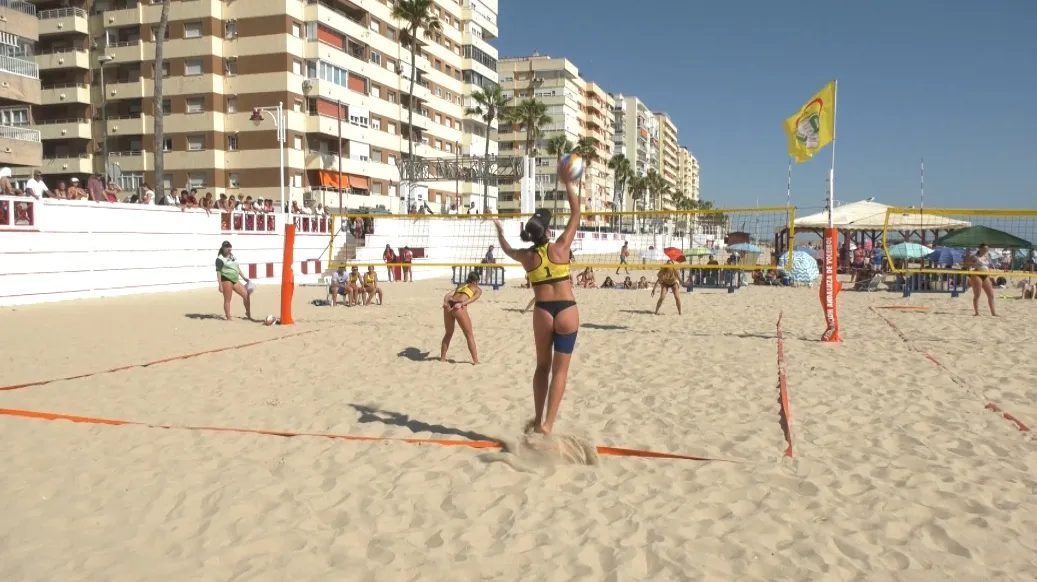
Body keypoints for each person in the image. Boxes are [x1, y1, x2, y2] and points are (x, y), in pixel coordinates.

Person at [492, 173, 580, 436]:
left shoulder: (526, 256)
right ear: (549, 232)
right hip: (567, 310)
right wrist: (567, 183)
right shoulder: (562, 247)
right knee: (560, 371)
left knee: (542, 367)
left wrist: (499, 231)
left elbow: (507, 249)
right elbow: (576, 213)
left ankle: (538, 416)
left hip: (542, 311)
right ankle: (547, 425)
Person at [441, 271, 483, 364]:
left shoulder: (460, 286)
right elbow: (473, 299)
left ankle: (442, 359)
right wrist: (462, 304)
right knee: (469, 335)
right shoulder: (477, 288)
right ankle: (476, 361)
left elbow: (448, 295)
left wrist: (445, 303)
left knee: (448, 333)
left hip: (448, 305)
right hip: (458, 307)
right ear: (475, 281)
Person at [215, 241, 251, 320]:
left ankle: (248, 313)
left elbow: (237, 268)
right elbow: (218, 272)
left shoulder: (232, 256)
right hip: (226, 279)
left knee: (246, 295)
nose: (229, 249)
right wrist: (220, 285)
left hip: (235, 279)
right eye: (227, 247)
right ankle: (228, 317)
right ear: (223, 248)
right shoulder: (220, 259)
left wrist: (244, 278)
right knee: (228, 299)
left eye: (230, 247)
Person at [965, 244, 997, 316]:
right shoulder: (974, 257)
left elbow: (986, 266)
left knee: (991, 295)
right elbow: (966, 265)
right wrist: (972, 263)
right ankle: (977, 313)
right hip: (976, 274)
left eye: (987, 249)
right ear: (980, 249)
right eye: (985, 249)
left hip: (985, 275)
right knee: (977, 295)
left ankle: (993, 313)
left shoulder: (987, 256)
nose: (986, 250)